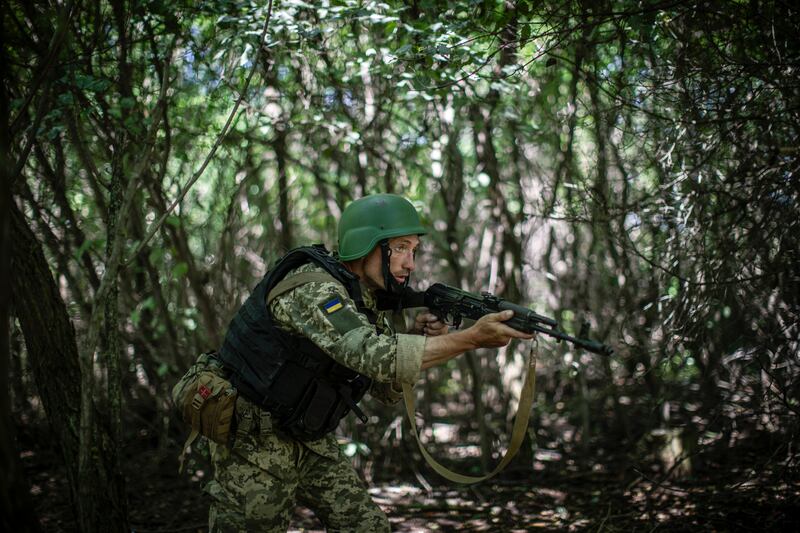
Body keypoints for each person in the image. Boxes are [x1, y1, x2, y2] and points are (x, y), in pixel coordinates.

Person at [205, 193, 533, 532]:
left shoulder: (363, 299)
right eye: (401, 248)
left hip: (307, 435)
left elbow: (385, 389)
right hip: (253, 438)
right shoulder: (314, 287)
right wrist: (472, 338)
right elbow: (375, 356)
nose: (411, 263)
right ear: (366, 245)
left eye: (414, 250)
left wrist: (428, 342)